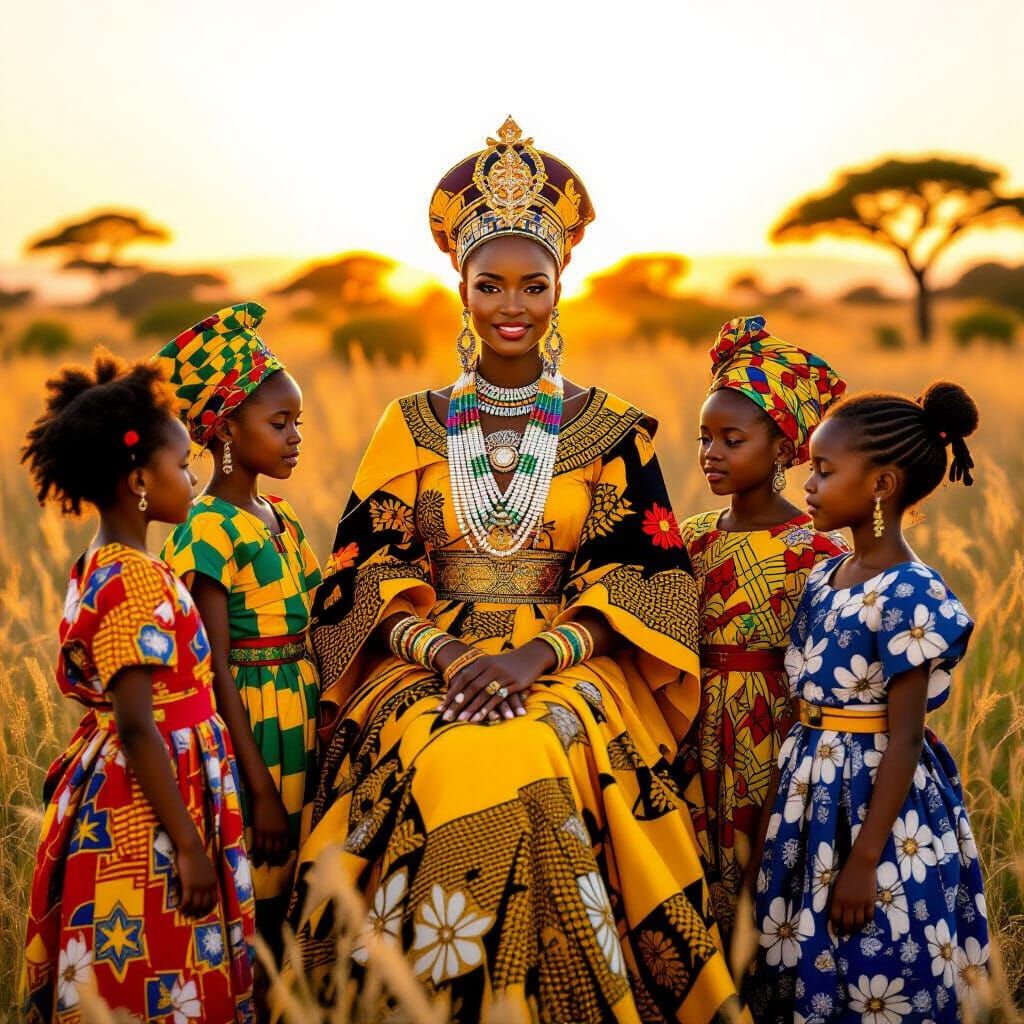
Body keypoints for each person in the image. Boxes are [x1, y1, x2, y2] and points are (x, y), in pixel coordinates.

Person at [286, 117, 749, 1023]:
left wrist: (531, 663)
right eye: (488, 283)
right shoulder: (408, 424)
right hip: (427, 662)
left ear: (559, 288)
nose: (511, 305)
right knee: (440, 744)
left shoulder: (611, 428)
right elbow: (364, 572)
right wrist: (456, 661)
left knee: (542, 743)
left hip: (572, 663)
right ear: (457, 287)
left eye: (532, 285)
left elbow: (645, 579)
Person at [20, 351, 255, 1022]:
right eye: (182, 466)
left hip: (143, 778)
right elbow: (135, 723)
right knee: (158, 960)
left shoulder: (99, 563)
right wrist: (186, 845)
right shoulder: (137, 580)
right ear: (137, 482)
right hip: (147, 805)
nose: (193, 477)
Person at [753, 381, 989, 1022]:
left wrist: (863, 861)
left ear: (881, 486)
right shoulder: (827, 574)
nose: (809, 485)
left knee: (874, 949)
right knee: (802, 940)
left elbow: (906, 738)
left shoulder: (909, 589)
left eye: (824, 472)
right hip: (811, 785)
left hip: (876, 800)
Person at [677, 315, 848, 945]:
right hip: (688, 720)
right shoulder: (688, 539)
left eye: (731, 439)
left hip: (774, 733)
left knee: (766, 880)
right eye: (703, 438)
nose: (711, 454)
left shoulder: (816, 550)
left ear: (782, 448)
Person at [157, 302, 322, 953]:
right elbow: (211, 664)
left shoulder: (277, 516)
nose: (295, 437)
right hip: (249, 723)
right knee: (258, 894)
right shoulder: (207, 529)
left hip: (299, 709)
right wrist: (258, 789)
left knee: (298, 889)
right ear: (224, 430)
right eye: (279, 423)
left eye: (298, 423)